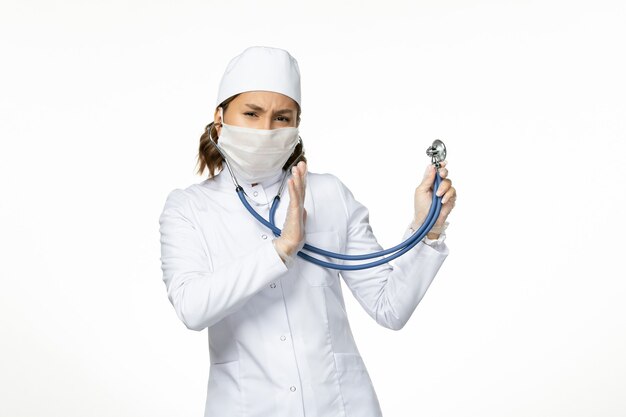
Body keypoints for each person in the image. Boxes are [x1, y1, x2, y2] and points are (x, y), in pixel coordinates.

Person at [159, 46, 457, 417]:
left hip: (342, 406)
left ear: (297, 126)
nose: (266, 129)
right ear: (220, 119)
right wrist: (281, 250)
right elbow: (192, 308)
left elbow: (389, 308)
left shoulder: (329, 193)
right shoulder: (189, 207)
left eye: (282, 118)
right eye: (251, 114)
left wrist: (429, 229)